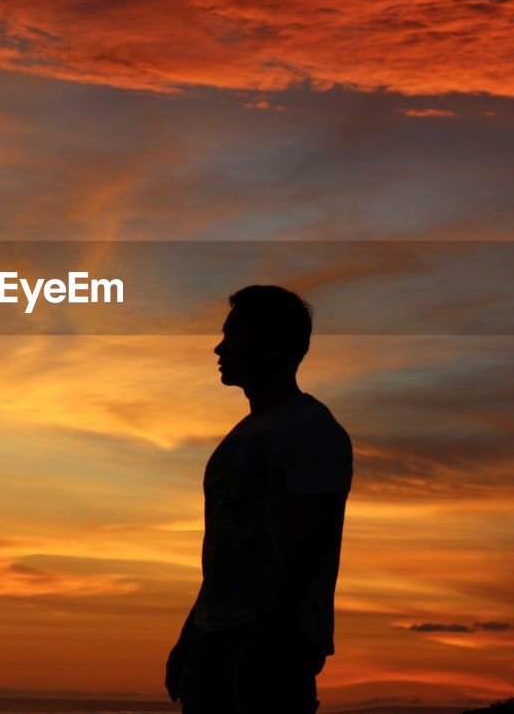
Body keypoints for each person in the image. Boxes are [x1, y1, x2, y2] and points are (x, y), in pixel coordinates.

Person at [166, 285, 354, 713]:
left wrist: (265, 636)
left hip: (272, 641)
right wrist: (191, 634)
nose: (219, 348)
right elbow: (226, 549)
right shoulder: (241, 437)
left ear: (271, 348)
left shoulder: (310, 430)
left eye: (233, 337)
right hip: (219, 635)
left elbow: (309, 543)